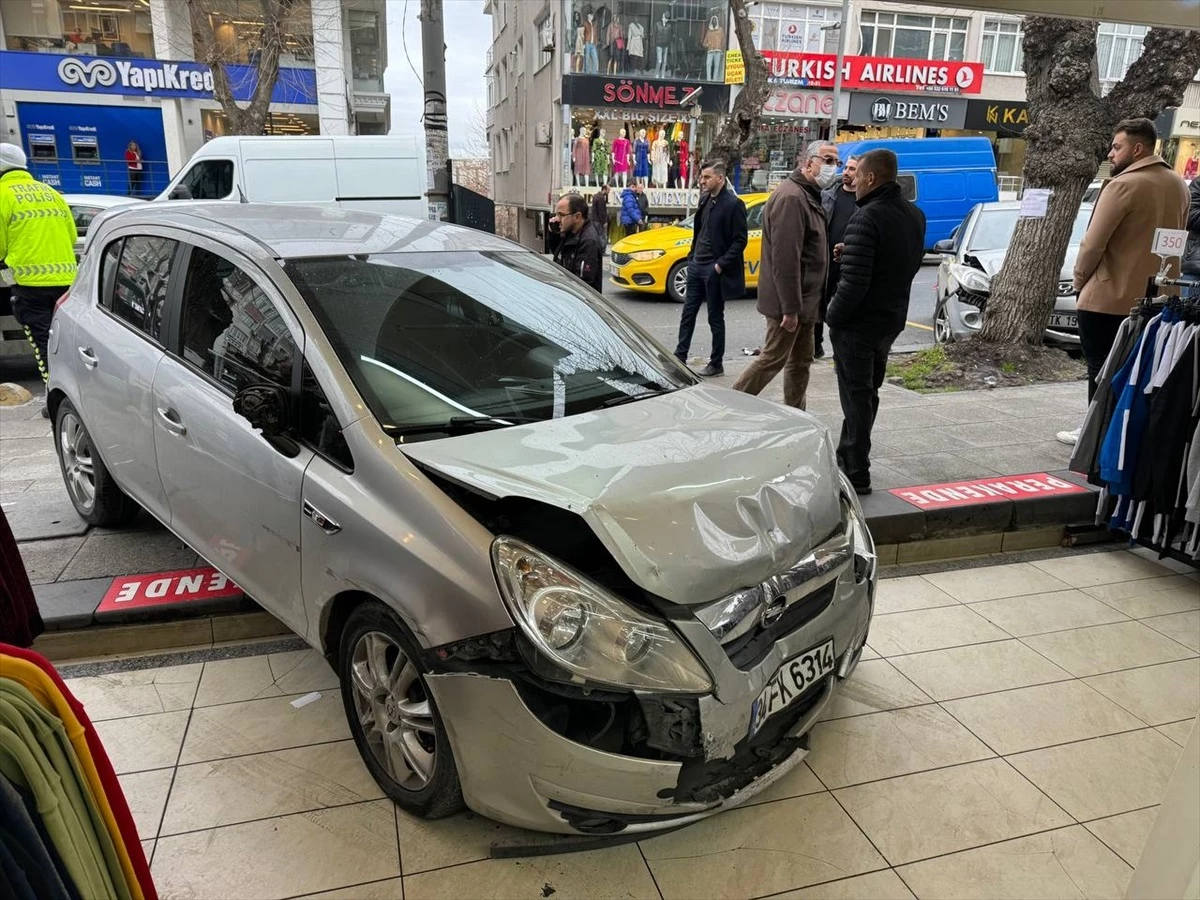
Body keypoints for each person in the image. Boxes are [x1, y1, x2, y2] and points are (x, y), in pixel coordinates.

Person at [1058, 118, 1189, 445]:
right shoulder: (1178, 185)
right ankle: (1128, 434)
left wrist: (1079, 281)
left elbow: (1093, 243)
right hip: (1160, 297)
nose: (1111, 154)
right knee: (1141, 372)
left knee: (1101, 370)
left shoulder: (1122, 185)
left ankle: (1096, 434)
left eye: (1117, 147)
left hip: (1108, 297)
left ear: (1138, 148)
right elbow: (1179, 238)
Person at [825, 148, 925, 494]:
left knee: (856, 396)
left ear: (871, 178)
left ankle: (856, 469)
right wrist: (849, 251)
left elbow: (855, 284)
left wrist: (831, 316)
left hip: (858, 324)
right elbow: (902, 262)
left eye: (856, 174)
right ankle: (847, 456)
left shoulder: (866, 217)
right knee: (867, 394)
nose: (850, 179)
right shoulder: (914, 215)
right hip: (890, 319)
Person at [731, 142, 838, 409]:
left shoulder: (807, 194)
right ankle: (729, 404)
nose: (832, 168)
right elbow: (785, 259)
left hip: (804, 302)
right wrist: (790, 309)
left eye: (835, 161)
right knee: (773, 359)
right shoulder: (792, 197)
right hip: (791, 304)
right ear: (809, 162)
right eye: (827, 160)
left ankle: (796, 412)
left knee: (801, 361)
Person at [0, 143, 77, 417]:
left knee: (44, 344)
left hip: (29, 285)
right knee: (67, 342)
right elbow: (71, 237)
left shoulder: (2, 194)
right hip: (67, 281)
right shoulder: (51, 193)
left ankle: (54, 402)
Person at [674, 160, 747, 377]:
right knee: (688, 313)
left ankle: (716, 363)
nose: (702, 181)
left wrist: (719, 265)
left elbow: (740, 240)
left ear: (720, 178)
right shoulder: (705, 199)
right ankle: (679, 357)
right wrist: (691, 255)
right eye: (702, 177)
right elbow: (700, 232)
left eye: (706, 177)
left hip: (713, 269)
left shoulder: (734, 204)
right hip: (696, 265)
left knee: (715, 316)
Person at [815, 155, 858, 359]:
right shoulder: (829, 195)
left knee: (843, 308)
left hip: (850, 261)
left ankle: (839, 353)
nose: (846, 173)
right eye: (846, 168)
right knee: (819, 303)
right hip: (826, 259)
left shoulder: (863, 201)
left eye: (852, 169)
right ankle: (816, 345)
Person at [549, 192, 604, 291]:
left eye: (561, 215)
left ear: (577, 217)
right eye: (556, 214)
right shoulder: (569, 233)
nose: (557, 219)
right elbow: (557, 258)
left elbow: (582, 282)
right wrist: (554, 234)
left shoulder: (588, 241)